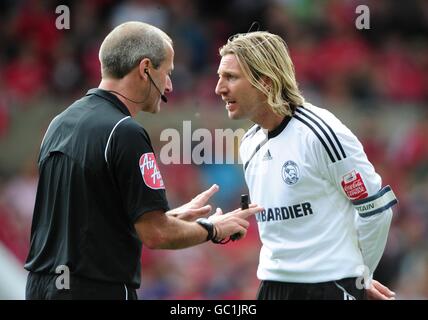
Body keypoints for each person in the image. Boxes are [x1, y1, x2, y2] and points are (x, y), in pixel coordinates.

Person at [24, 21, 262, 300]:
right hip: (96, 290)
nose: (170, 85)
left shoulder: (59, 124)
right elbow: (156, 235)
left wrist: (173, 216)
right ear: (145, 68)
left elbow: (94, 224)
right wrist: (213, 229)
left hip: (40, 289)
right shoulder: (124, 131)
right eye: (168, 73)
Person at [215, 31, 398, 300]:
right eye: (220, 77)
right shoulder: (249, 143)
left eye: (230, 77)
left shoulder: (321, 133)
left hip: (328, 286)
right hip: (272, 286)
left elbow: (375, 211)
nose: (219, 88)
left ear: (264, 80)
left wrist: (361, 276)